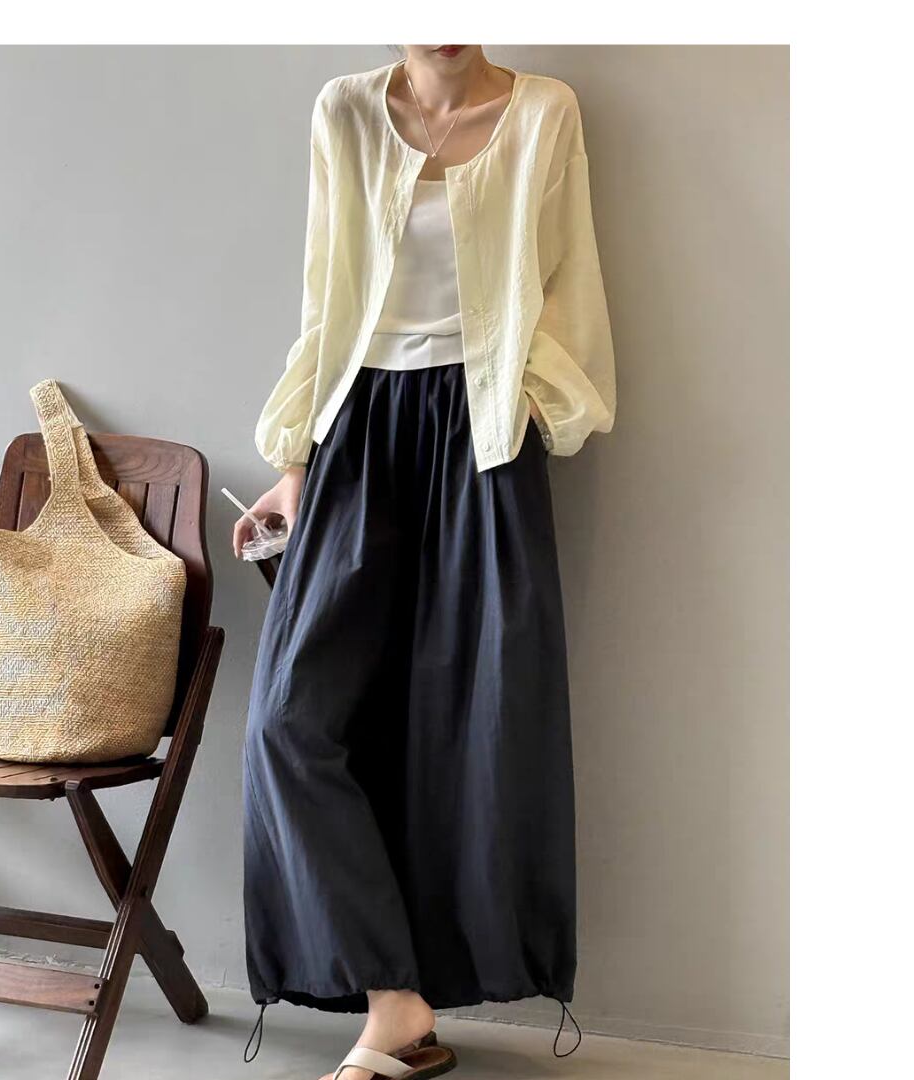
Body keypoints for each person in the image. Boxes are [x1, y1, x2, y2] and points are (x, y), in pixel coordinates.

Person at [234, 45, 615, 1080]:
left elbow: (570, 283)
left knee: (470, 727)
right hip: (358, 431)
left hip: (483, 433)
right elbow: (326, 294)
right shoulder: (345, 112)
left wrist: (529, 408)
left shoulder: (544, 112)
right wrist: (293, 463)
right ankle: (394, 1000)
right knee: (288, 723)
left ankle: (399, 1020)